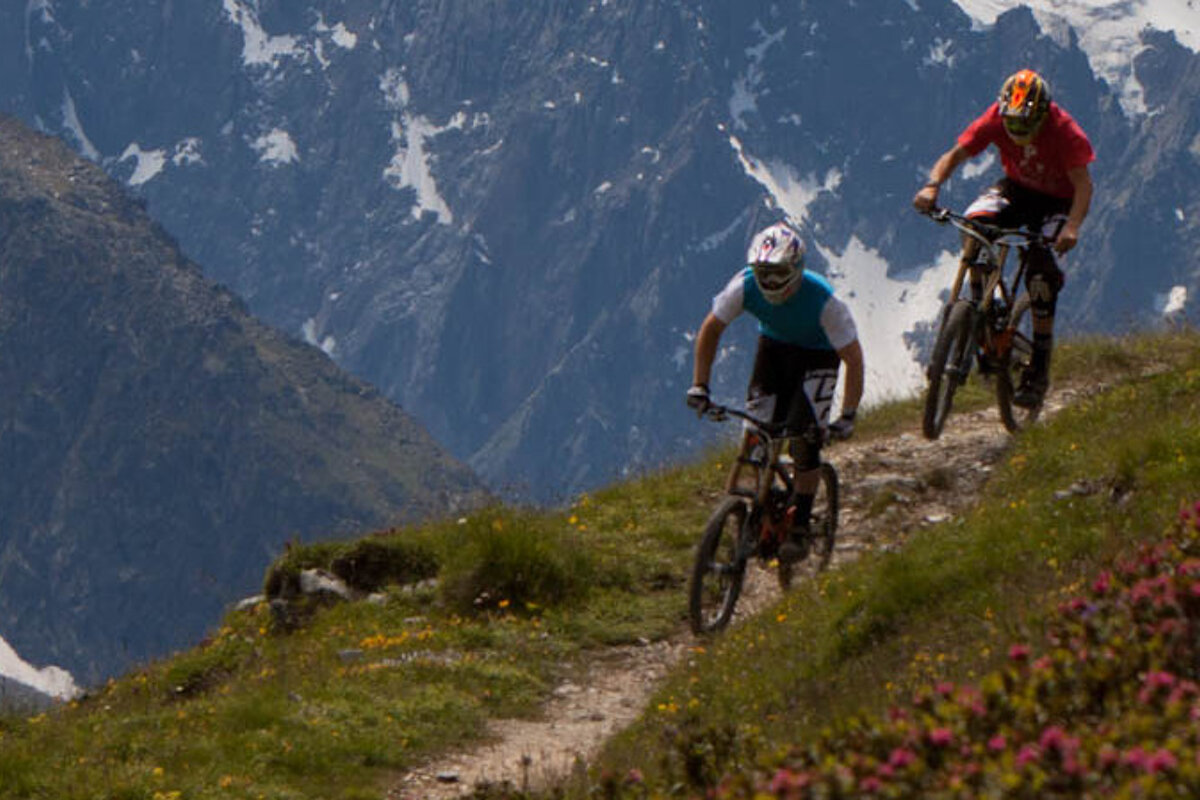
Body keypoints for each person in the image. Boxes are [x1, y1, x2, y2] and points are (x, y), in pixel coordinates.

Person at [913, 68, 1095, 408]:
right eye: (1013, 123)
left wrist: (1071, 227)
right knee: (976, 222)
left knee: (1040, 278)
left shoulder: (1065, 131)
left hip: (1057, 201)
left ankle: (1038, 368)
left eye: (1026, 124)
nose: (1018, 130)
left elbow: (1084, 185)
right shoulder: (997, 118)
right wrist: (932, 185)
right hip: (1016, 190)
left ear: (1043, 115)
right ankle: (981, 305)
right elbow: (954, 155)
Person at [687, 222, 864, 563]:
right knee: (755, 436)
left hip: (818, 357)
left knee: (804, 440)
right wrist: (700, 385)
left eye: (776, 272)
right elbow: (711, 330)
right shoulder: (744, 286)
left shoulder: (825, 301)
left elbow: (854, 360)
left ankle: (800, 524)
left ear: (796, 269)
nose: (767, 282)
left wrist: (847, 415)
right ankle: (755, 510)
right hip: (774, 351)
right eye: (762, 272)